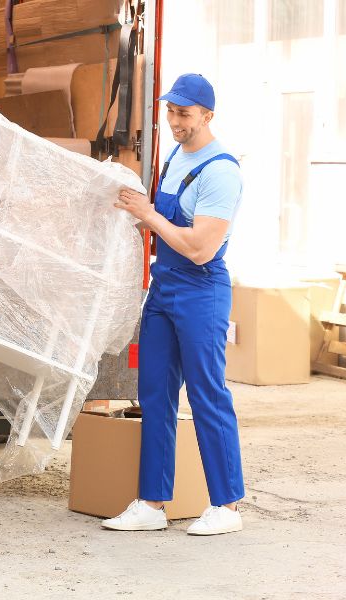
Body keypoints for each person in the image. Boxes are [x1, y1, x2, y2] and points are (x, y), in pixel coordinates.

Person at [109, 73, 245, 535]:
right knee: (154, 395)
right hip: (164, 288)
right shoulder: (174, 156)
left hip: (201, 290)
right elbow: (165, 229)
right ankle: (151, 504)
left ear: (208, 116)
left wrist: (147, 215)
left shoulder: (222, 171)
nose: (173, 121)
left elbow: (201, 247)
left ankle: (226, 507)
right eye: (170, 111)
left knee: (207, 395)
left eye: (183, 114)